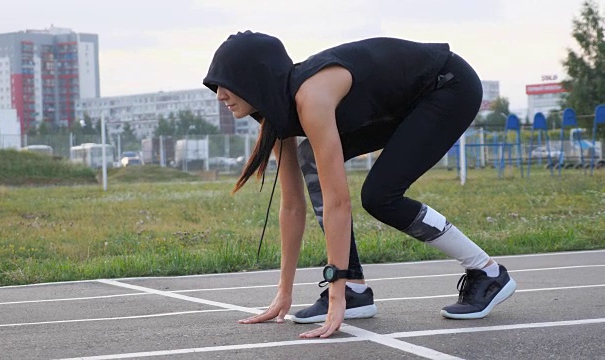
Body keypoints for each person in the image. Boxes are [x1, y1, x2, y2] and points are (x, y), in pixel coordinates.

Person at [203, 31, 517, 339]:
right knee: (309, 157)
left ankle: (487, 272)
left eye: (227, 83)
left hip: (448, 86)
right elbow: (291, 206)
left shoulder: (312, 98)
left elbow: (338, 202)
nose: (219, 94)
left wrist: (334, 298)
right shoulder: (275, 115)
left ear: (254, 78)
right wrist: (283, 294)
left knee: (380, 196)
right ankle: (353, 286)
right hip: (400, 103)